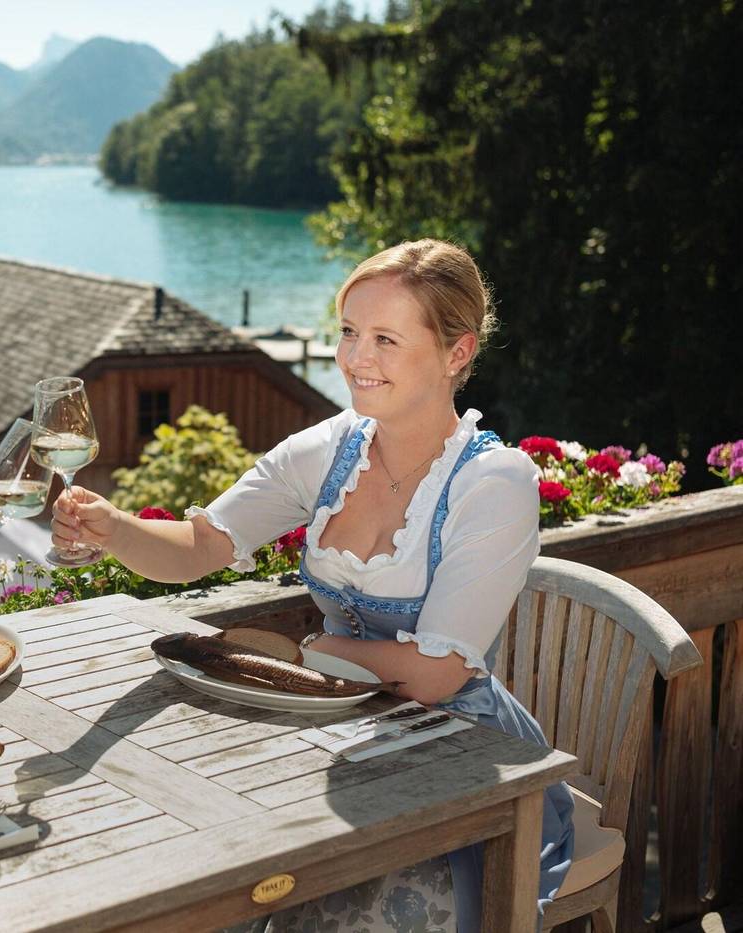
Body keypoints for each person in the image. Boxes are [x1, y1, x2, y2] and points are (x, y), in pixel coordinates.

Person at [51, 240, 573, 932]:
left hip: (465, 765)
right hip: (334, 734)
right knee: (206, 872)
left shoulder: (495, 482)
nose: (356, 358)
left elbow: (436, 675)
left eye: (385, 338)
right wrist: (112, 528)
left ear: (457, 353)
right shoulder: (332, 449)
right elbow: (203, 545)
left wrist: (314, 651)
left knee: (343, 907)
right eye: (350, 332)